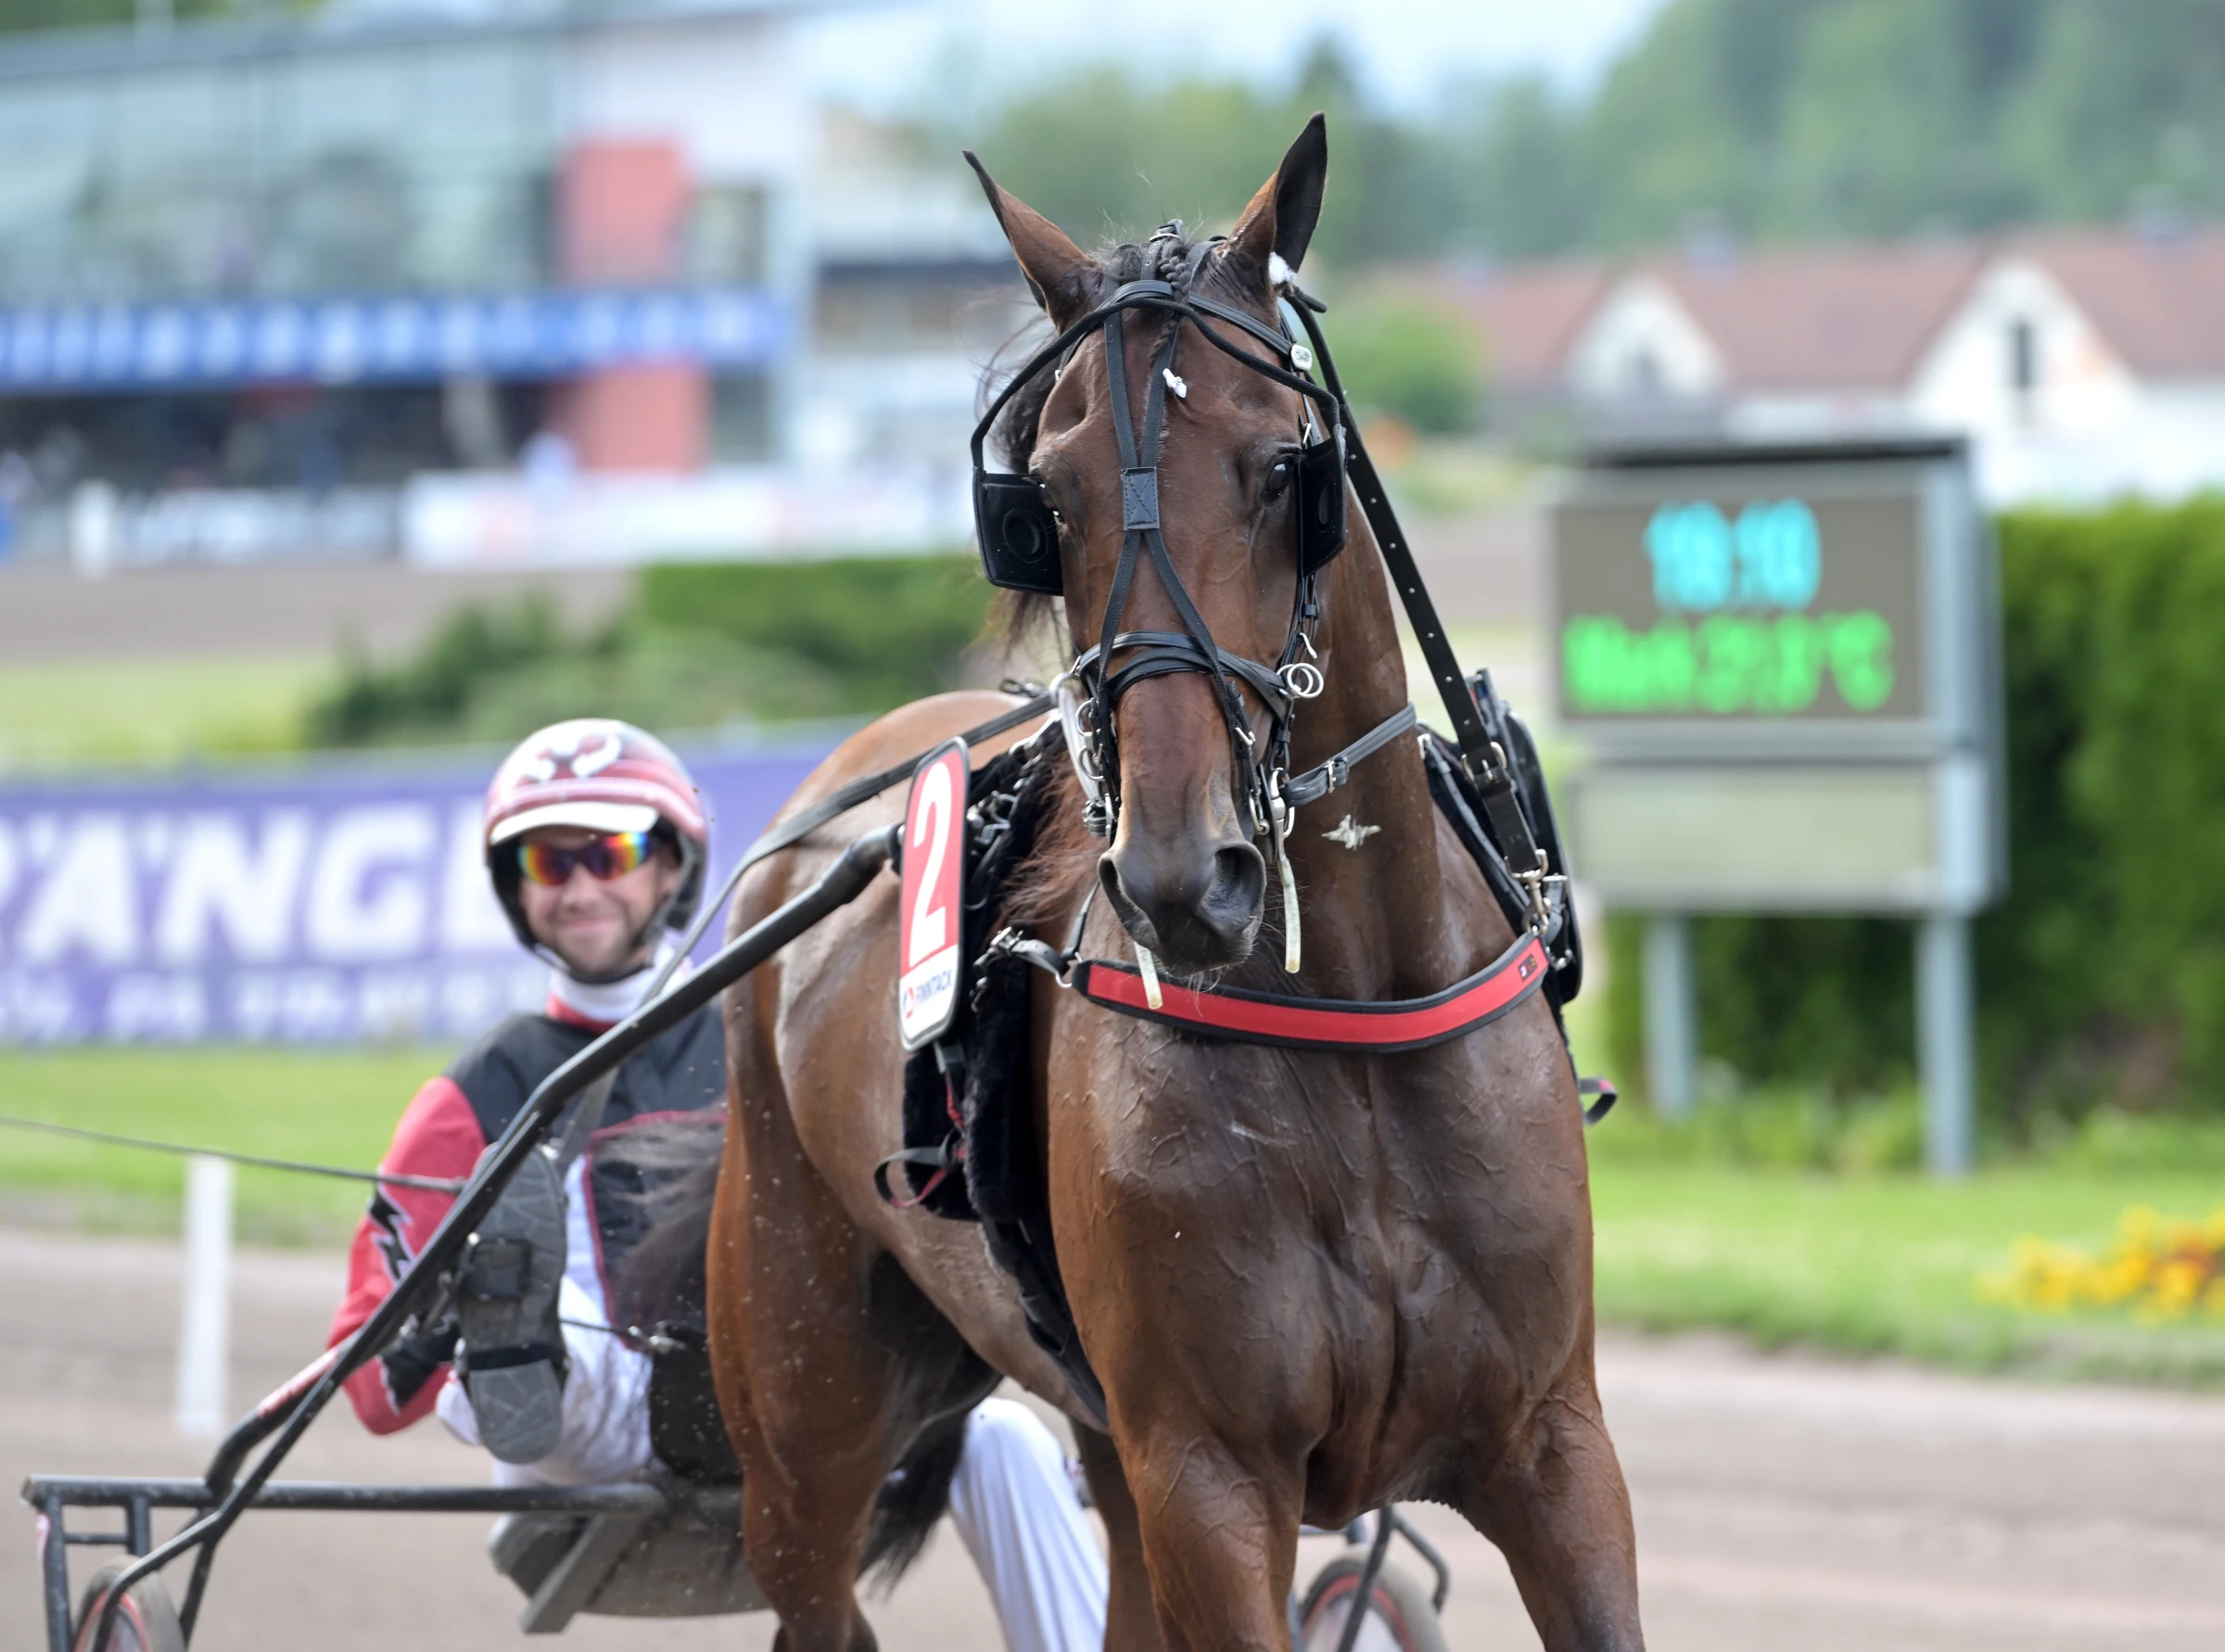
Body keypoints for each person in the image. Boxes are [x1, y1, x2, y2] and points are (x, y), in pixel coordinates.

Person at [328, 718, 1106, 1650]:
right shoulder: (475, 1092)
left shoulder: (775, 1038)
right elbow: (371, 1385)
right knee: (546, 1326)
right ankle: (515, 1345)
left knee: (1008, 1440)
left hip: (802, 1397)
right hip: (599, 1426)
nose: (580, 885)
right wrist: (445, 1332)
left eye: (608, 850)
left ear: (669, 867)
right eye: (548, 862)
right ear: (515, 888)